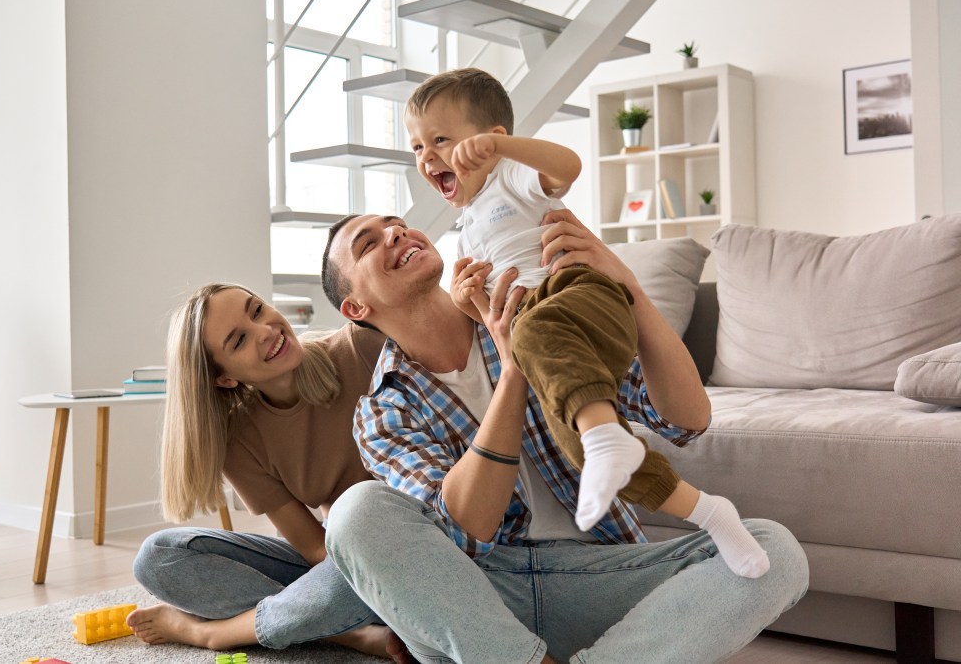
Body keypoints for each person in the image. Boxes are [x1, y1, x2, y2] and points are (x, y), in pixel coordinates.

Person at [319, 210, 809, 663]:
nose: (395, 234)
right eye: (368, 243)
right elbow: (469, 529)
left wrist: (628, 286)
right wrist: (512, 369)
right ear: (355, 307)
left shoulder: (537, 313)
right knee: (356, 513)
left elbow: (687, 418)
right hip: (483, 600)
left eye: (397, 224)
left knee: (776, 551)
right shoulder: (382, 412)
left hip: (601, 578)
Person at [403, 67, 767, 578]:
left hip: (581, 294)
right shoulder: (464, 235)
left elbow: (567, 165)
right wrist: (477, 307)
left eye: (440, 139)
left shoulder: (511, 176)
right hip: (537, 330)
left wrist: (501, 149)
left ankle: (605, 442)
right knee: (582, 447)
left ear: (492, 140)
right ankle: (710, 513)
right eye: (416, 147)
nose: (427, 156)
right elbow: (505, 328)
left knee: (536, 333)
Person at [123, 283, 407, 661]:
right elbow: (315, 549)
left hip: (419, 543)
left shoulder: (362, 346)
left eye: (256, 310)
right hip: (346, 560)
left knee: (362, 578)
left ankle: (210, 634)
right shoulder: (239, 440)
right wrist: (338, 586)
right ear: (224, 378)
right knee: (158, 558)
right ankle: (349, 634)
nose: (266, 331)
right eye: (239, 340)